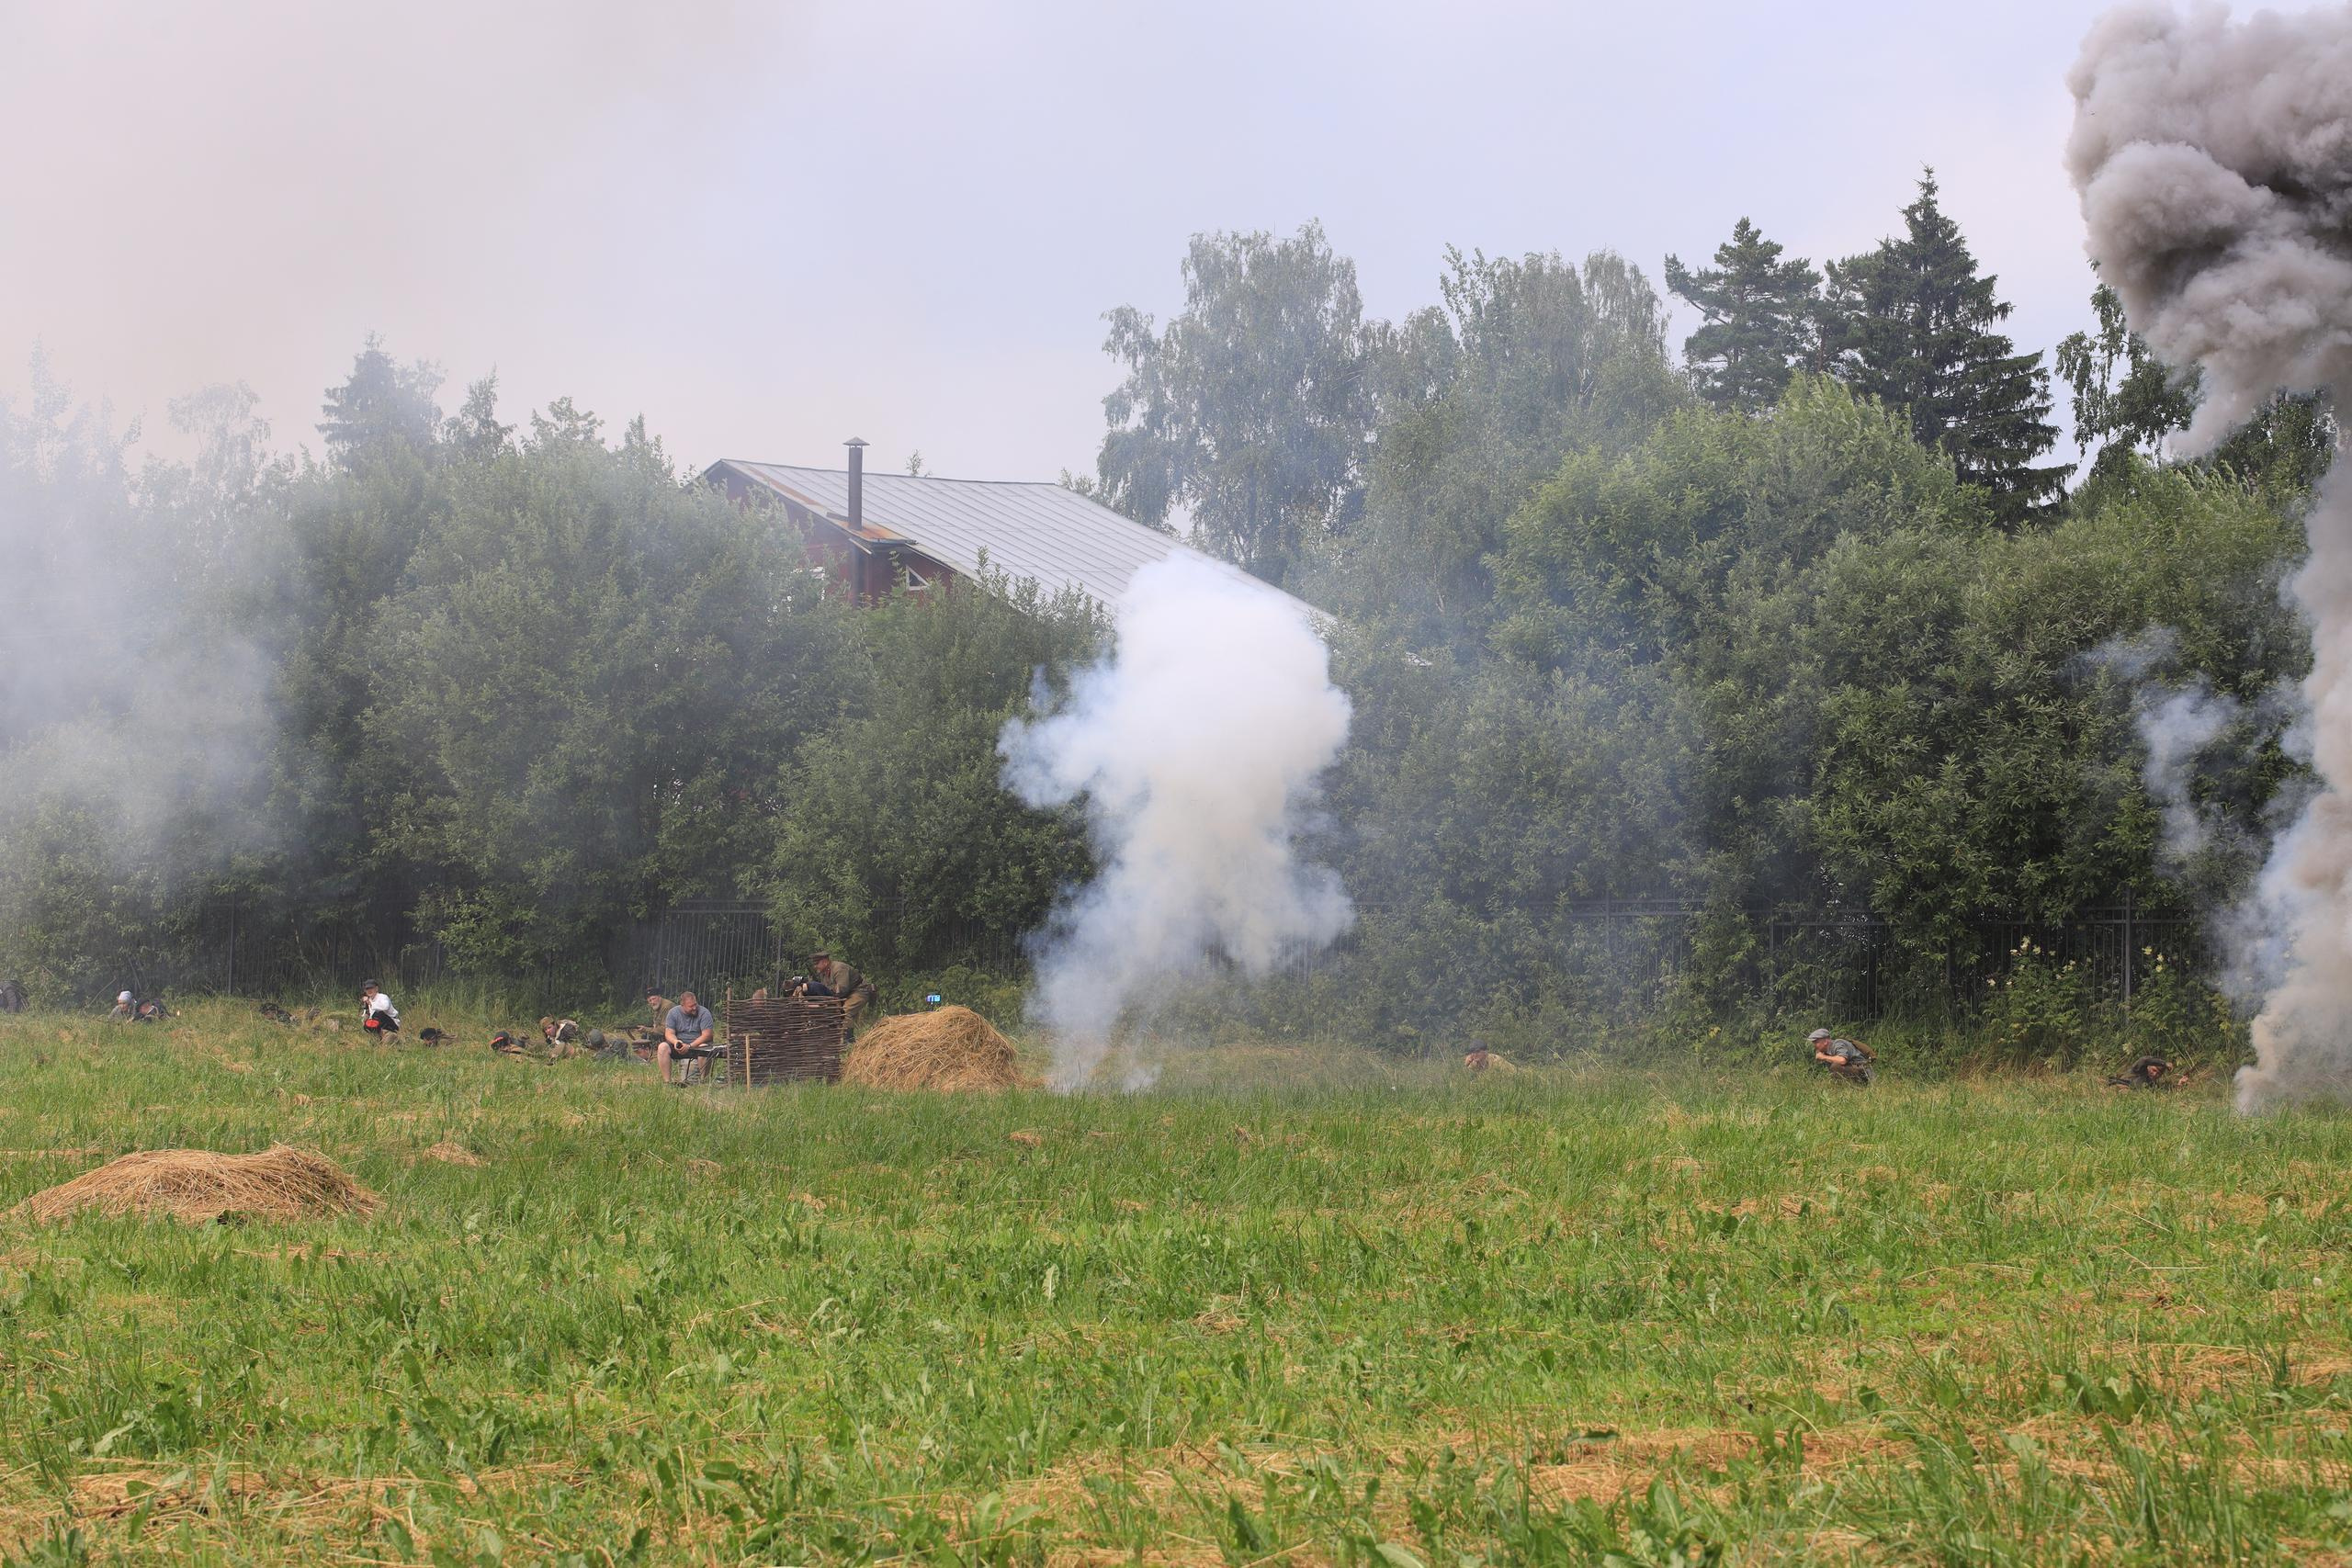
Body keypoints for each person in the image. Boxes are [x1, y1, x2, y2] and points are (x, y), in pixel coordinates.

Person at [801, 951, 877, 1033]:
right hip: (847, 993)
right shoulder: (824, 973)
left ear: (825, 962)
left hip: (859, 990)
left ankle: (848, 1041)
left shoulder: (838, 968)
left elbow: (842, 990)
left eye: (817, 964)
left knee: (845, 1012)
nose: (815, 967)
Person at [660, 987, 718, 1086]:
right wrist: (676, 1042)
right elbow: (669, 1033)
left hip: (697, 1046)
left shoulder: (704, 1013)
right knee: (662, 1047)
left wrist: (690, 1046)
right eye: (691, 1006)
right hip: (680, 1046)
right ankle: (667, 1082)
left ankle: (704, 1082)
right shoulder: (673, 1013)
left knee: (704, 1048)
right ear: (682, 1005)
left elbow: (707, 1035)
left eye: (695, 1004)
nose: (694, 1008)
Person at [1808, 1027, 1874, 1084]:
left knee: (1835, 1066)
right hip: (1855, 1070)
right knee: (1834, 1067)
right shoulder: (1826, 1051)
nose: (1814, 1045)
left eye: (1816, 1042)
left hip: (1864, 1071)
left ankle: (1856, 1087)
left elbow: (1842, 1060)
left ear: (1825, 1041)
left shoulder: (1838, 1044)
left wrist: (1823, 1057)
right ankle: (1846, 1087)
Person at [2107, 1055, 2171, 1089]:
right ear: (2148, 1066)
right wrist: (2163, 1063)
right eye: (2154, 1070)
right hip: (2120, 1087)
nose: (2154, 1074)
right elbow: (2144, 1060)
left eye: (2158, 1074)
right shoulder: (2138, 1070)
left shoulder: (2152, 1084)